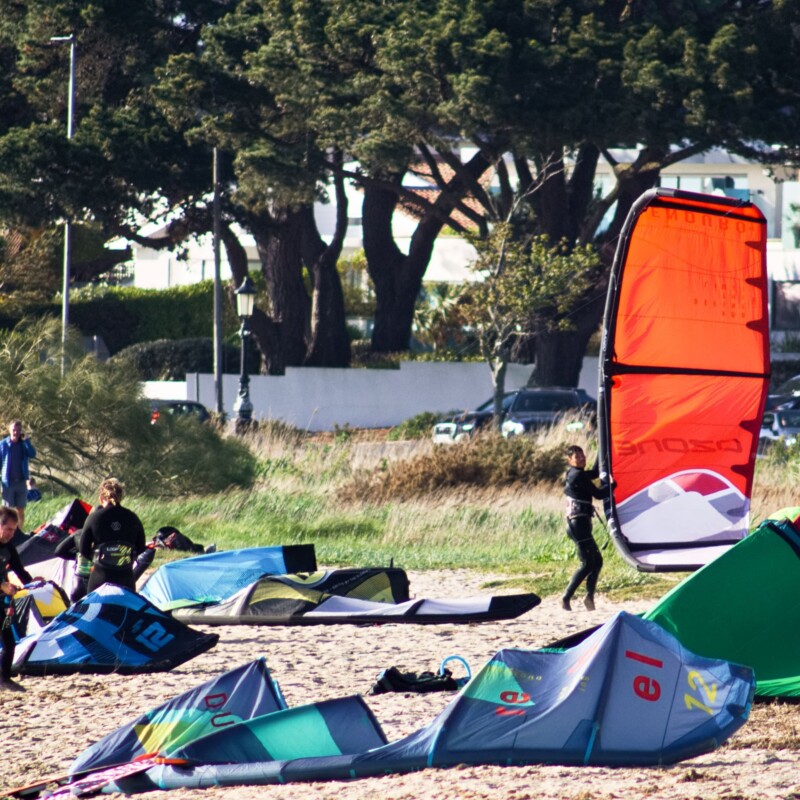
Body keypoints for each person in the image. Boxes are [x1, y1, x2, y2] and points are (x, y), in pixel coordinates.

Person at [79, 478, 146, 593]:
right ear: (121, 497)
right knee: (124, 610)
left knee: (96, 610)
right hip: (125, 577)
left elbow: (83, 549)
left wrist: (98, 558)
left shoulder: (94, 518)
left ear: (101, 498)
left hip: (100, 576)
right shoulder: (132, 518)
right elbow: (141, 547)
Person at [562, 444, 606, 612]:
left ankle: (589, 597)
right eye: (577, 457)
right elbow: (599, 494)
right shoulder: (576, 476)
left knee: (597, 561)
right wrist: (613, 484)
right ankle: (566, 598)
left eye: (583, 456)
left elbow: (594, 473)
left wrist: (603, 450)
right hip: (577, 525)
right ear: (570, 460)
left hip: (580, 524)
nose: (581, 459)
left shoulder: (577, 473)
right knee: (588, 563)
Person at [0, 506, 34, 690]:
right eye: (9, 529)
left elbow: (20, 571)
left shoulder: (8, 547)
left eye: (14, 530)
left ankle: (4, 679)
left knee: (9, 641)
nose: (12, 534)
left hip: (3, 604)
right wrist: (2, 585)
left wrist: (33, 583)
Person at [0, 420, 36, 532]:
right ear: (10, 430)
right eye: (14, 430)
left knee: (20, 509)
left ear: (21, 431)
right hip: (8, 483)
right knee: (7, 511)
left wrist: (27, 442)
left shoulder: (24, 444)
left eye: (18, 430)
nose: (16, 432)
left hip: (21, 482)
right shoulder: (3, 445)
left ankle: (19, 533)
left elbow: (33, 454)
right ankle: (5, 532)